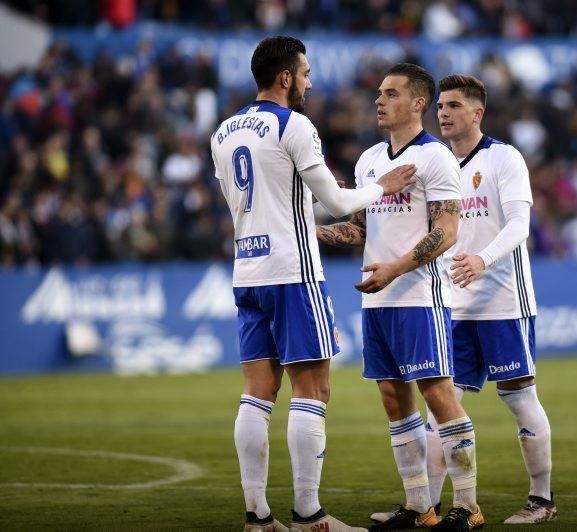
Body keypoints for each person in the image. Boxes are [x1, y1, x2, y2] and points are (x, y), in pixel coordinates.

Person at [210, 36, 416, 532]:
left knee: (256, 395)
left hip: (248, 270)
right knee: (313, 389)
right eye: (304, 73)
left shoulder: (222, 132)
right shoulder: (294, 124)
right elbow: (338, 202)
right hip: (293, 273)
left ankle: (257, 516)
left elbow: (249, 203)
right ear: (284, 78)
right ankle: (309, 514)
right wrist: (382, 187)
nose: (309, 81)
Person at [316, 63, 483, 531]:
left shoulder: (436, 158)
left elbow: (447, 232)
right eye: (378, 92)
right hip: (377, 299)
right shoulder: (369, 160)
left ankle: (468, 507)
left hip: (417, 297)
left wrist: (395, 269)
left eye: (390, 93)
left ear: (417, 103)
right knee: (393, 399)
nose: (378, 100)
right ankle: (419, 507)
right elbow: (362, 230)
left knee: (440, 395)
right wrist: (309, 231)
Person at [435, 74, 556, 524]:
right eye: (440, 106)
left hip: (504, 301)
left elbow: (519, 226)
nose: (443, 113)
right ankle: (430, 506)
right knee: (444, 406)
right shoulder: (438, 164)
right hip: (456, 305)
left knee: (520, 399)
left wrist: (483, 260)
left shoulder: (504, 158)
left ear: (477, 112)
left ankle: (541, 500)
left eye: (453, 106)